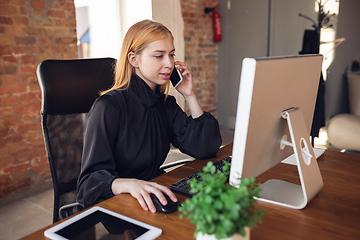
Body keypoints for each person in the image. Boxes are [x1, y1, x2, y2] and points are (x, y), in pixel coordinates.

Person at [77, 19, 222, 213]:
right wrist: (129, 185)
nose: (169, 63)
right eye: (158, 56)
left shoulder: (165, 104)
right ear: (133, 59)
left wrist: (189, 95)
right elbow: (88, 185)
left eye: (171, 55)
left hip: (155, 192)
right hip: (120, 201)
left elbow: (206, 148)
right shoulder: (109, 107)